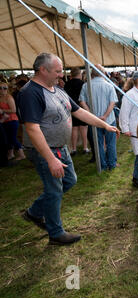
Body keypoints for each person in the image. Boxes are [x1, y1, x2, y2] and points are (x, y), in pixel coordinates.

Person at [18, 53, 120, 245]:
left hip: (60, 147)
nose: (61, 75)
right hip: (45, 150)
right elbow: (32, 128)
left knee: (70, 180)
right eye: (57, 71)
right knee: (54, 189)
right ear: (43, 70)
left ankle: (34, 212)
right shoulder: (30, 92)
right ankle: (55, 233)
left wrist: (104, 125)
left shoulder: (57, 89)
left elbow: (79, 111)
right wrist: (50, 159)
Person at [79, 64, 119, 170]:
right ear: (103, 73)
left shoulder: (85, 86)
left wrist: (90, 114)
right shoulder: (109, 85)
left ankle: (103, 165)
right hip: (109, 119)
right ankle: (112, 164)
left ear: (92, 73)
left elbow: (82, 101)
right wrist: (105, 115)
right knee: (111, 143)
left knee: (98, 144)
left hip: (93, 120)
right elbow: (113, 103)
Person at [64, 68, 89, 156]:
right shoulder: (83, 84)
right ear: (79, 74)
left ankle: (74, 149)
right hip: (81, 108)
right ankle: (85, 148)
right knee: (83, 128)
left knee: (74, 128)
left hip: (71, 108)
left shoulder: (67, 84)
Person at [0, 81, 26, 161]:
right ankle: (11, 154)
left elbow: (14, 110)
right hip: (4, 121)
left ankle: (22, 155)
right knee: (7, 139)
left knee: (12, 138)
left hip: (12, 120)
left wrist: (2, 111)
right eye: (0, 88)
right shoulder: (0, 98)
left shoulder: (9, 97)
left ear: (7, 89)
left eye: (4, 88)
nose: (2, 90)